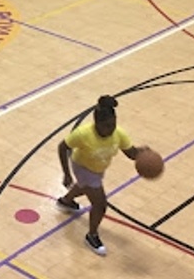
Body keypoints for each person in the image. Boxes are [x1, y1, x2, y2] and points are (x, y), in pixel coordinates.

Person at [55, 95, 147, 256]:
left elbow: (131, 154)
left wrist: (144, 153)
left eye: (113, 124)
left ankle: (66, 201)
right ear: (97, 123)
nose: (111, 129)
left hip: (97, 168)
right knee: (100, 205)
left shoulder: (118, 134)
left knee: (85, 187)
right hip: (82, 167)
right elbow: (62, 147)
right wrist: (66, 173)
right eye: (107, 126)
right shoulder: (83, 134)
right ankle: (91, 236)